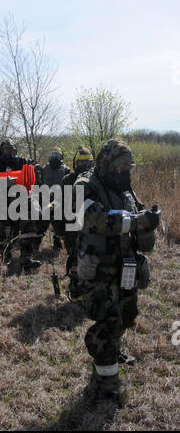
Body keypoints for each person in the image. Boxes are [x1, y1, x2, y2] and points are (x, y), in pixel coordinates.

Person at [72, 139, 160, 403]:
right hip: (100, 269)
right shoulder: (84, 186)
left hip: (126, 264)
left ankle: (112, 352)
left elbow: (138, 212)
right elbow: (96, 219)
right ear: (106, 164)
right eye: (120, 166)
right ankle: (106, 382)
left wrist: (149, 217)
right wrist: (138, 221)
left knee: (127, 314)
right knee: (107, 323)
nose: (125, 171)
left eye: (128, 166)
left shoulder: (126, 188)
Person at [0, 140, 41, 270]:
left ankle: (26, 258)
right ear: (1, 151)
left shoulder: (22, 161)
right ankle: (6, 257)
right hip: (2, 201)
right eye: (6, 150)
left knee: (29, 220)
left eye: (11, 150)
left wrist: (35, 169)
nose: (8, 153)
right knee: (3, 231)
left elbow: (33, 173)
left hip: (21, 200)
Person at [39, 147, 70, 251]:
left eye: (57, 156)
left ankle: (58, 245)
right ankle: (36, 244)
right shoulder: (44, 168)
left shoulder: (66, 170)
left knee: (59, 224)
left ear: (61, 157)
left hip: (59, 201)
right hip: (45, 199)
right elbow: (40, 183)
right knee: (42, 223)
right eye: (53, 155)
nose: (54, 158)